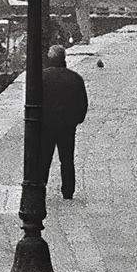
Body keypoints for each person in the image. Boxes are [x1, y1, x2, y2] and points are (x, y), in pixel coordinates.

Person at [41, 44, 88, 200]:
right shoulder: (74, 78)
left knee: (44, 158)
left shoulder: (42, 77)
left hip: (46, 125)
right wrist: (75, 120)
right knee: (67, 158)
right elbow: (82, 104)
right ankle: (68, 190)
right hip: (67, 125)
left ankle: (41, 187)